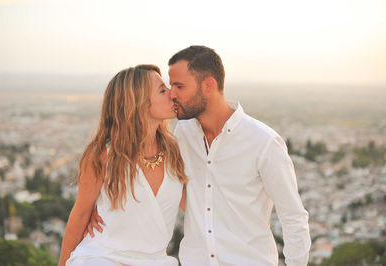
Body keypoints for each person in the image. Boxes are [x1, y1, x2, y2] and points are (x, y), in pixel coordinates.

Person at [88, 46, 311, 265]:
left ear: (208, 85)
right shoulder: (183, 134)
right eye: (169, 86)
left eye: (179, 86)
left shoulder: (263, 142)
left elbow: (294, 218)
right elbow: (175, 191)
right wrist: (102, 215)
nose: (172, 94)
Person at [58, 64, 187, 266]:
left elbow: (198, 209)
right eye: (163, 90)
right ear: (139, 102)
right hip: (101, 257)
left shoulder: (177, 151)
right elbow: (81, 214)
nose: (172, 94)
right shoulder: (103, 154)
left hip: (155, 261)